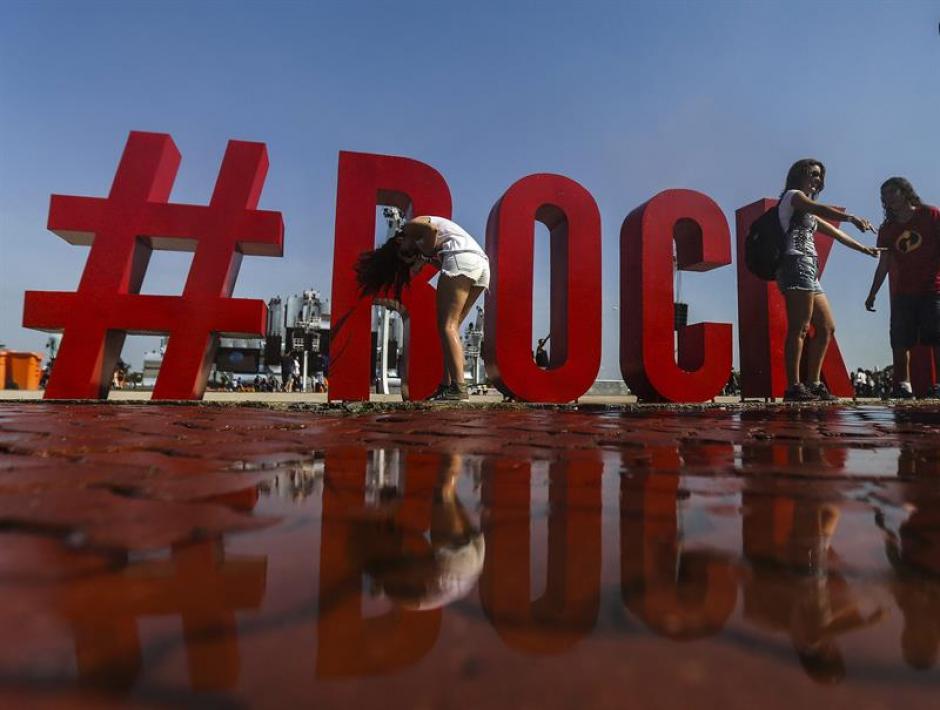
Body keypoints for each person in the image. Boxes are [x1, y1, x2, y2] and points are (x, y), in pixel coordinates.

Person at [774, 159, 881, 402]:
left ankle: (814, 384)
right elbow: (821, 210)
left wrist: (864, 248)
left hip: (810, 269)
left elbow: (837, 233)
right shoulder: (794, 196)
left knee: (826, 327)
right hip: (795, 263)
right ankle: (794, 387)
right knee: (799, 328)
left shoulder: (808, 212)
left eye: (820, 176)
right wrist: (851, 217)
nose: (818, 180)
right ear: (799, 175)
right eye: (813, 174)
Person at [356, 215, 490, 401]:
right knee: (453, 327)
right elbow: (438, 254)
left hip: (461, 258)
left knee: (447, 326)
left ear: (399, 240)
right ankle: (447, 385)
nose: (409, 256)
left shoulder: (410, 226)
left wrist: (425, 254)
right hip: (481, 265)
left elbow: (432, 229)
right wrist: (425, 259)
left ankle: (458, 388)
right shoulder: (427, 242)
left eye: (404, 252)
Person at [865, 178, 940, 399]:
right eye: (884, 194)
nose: (888, 197)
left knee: (937, 337)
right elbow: (884, 263)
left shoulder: (931, 215)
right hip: (903, 292)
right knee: (900, 340)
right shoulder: (887, 229)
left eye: (892, 191)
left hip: (933, 289)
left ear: (905, 191)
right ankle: (903, 385)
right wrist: (872, 293)